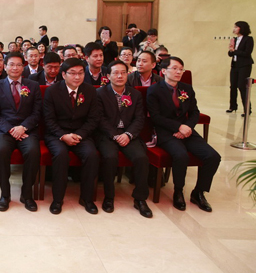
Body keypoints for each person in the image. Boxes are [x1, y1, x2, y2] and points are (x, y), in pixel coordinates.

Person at [147, 57, 221, 212]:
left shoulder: (187, 88)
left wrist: (187, 127)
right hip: (165, 132)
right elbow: (156, 117)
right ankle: (178, 191)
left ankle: (199, 192)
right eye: (174, 68)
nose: (178, 72)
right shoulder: (154, 90)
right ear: (163, 71)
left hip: (186, 130)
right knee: (181, 155)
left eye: (181, 69)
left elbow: (194, 112)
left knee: (213, 156)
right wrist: (178, 127)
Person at [43, 58, 100, 215]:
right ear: (63, 74)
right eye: (73, 73)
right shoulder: (52, 91)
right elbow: (49, 119)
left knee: (91, 154)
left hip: (81, 133)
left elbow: (93, 119)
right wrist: (63, 135)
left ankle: (87, 199)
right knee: (61, 154)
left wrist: (79, 135)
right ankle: (57, 199)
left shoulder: (90, 91)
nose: (77, 77)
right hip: (57, 134)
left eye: (80, 73)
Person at [96, 61, 152, 218]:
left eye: (123, 72)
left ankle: (140, 199)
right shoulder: (99, 93)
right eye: (115, 73)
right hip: (107, 135)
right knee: (110, 157)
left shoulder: (135, 94)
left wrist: (128, 134)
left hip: (129, 134)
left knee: (141, 158)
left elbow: (139, 119)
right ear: (108, 76)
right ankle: (109, 197)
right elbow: (99, 119)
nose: (120, 76)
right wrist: (115, 135)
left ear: (128, 74)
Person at [0, 52, 42, 212]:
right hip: (4, 130)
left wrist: (23, 127)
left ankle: (27, 194)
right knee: (1, 150)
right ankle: (5, 194)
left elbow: (37, 112)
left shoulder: (33, 85)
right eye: (11, 64)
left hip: (27, 129)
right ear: (5, 67)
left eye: (19, 65)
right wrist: (11, 129)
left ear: (23, 67)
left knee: (33, 151)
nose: (15, 68)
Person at [228, 21, 254, 115]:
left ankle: (247, 109)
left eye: (236, 27)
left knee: (242, 86)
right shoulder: (234, 39)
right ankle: (233, 106)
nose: (234, 29)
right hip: (235, 65)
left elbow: (247, 53)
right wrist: (231, 49)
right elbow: (230, 54)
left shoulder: (249, 39)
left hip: (244, 65)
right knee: (233, 86)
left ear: (241, 28)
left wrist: (234, 51)